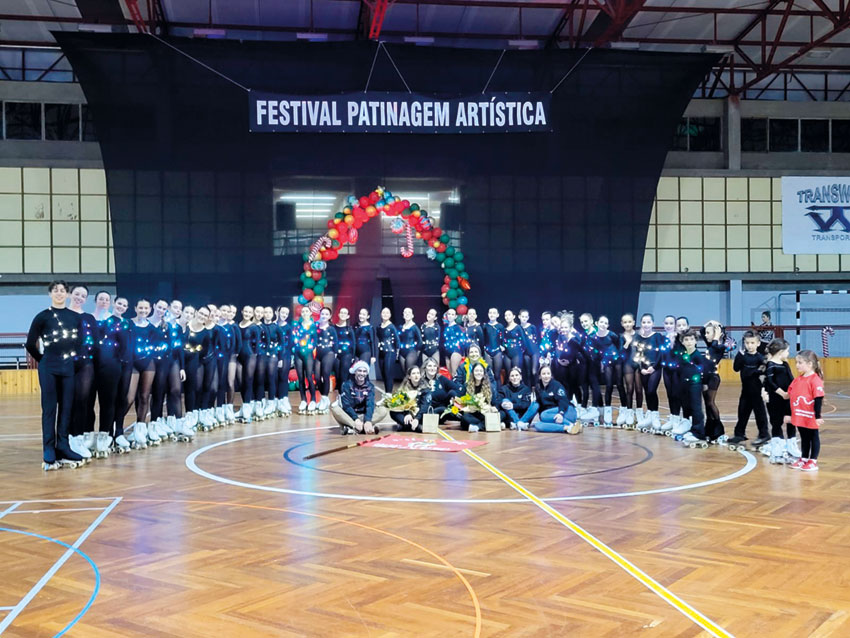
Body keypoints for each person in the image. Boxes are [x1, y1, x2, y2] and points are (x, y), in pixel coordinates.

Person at [26, 280, 85, 470]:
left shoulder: (75, 317)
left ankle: (63, 446)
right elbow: (30, 343)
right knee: (50, 408)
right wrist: (43, 360)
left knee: (67, 407)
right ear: (50, 294)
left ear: (67, 294)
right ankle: (49, 448)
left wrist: (73, 363)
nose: (59, 293)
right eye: (55, 290)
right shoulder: (42, 316)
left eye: (62, 290)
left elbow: (81, 343)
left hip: (68, 368)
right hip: (48, 368)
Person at [67, 285, 97, 462]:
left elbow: (95, 341)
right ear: (70, 294)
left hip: (85, 363)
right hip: (65, 363)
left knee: (81, 400)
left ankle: (77, 438)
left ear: (86, 299)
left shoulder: (89, 318)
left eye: (83, 295)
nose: (79, 297)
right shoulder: (61, 314)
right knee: (66, 401)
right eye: (77, 294)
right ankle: (65, 438)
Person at [727, 330, 769, 449]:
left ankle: (764, 434)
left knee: (760, 413)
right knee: (742, 412)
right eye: (747, 343)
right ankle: (739, 434)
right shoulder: (743, 356)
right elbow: (736, 368)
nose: (749, 346)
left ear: (758, 343)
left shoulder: (760, 358)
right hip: (745, 390)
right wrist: (739, 355)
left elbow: (763, 373)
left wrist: (759, 374)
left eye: (752, 343)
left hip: (756, 391)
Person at [787, 350, 825, 471]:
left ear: (809, 364)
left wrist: (817, 416)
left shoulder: (815, 380)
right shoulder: (798, 380)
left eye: (800, 362)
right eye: (796, 362)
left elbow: (818, 399)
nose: (797, 365)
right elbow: (790, 396)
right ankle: (803, 458)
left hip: (810, 415)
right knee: (804, 436)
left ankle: (813, 460)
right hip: (800, 414)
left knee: (813, 436)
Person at [762, 338, 797, 464]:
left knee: (791, 421)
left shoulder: (785, 364)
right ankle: (777, 447)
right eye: (787, 351)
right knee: (776, 422)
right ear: (781, 352)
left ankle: (792, 445)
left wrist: (793, 391)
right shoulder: (770, 365)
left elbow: (791, 379)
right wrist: (782, 393)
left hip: (787, 398)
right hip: (775, 398)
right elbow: (770, 382)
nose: (788, 353)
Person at [673, 330, 710, 446]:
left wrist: (704, 383)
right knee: (686, 406)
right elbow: (678, 370)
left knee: (696, 407)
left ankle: (699, 432)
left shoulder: (698, 356)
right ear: (682, 342)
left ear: (696, 341)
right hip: (684, 384)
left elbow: (704, 371)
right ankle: (692, 428)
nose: (689, 342)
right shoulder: (682, 356)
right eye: (686, 340)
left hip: (695, 384)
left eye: (691, 339)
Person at [331, 360, 388, 435]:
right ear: (355, 372)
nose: (362, 373)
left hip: (363, 415)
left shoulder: (370, 386)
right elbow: (346, 406)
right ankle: (359, 426)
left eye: (364, 371)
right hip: (350, 415)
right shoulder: (346, 385)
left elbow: (370, 405)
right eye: (359, 371)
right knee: (334, 408)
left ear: (367, 373)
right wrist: (356, 419)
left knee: (383, 410)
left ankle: (354, 428)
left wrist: (368, 420)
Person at [519, 365, 580, 434]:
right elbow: (539, 406)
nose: (546, 376)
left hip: (566, 411)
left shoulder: (557, 385)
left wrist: (560, 413)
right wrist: (528, 422)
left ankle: (571, 424)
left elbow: (563, 401)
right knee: (538, 425)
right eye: (543, 374)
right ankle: (567, 428)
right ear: (540, 376)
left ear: (551, 375)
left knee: (543, 415)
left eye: (548, 373)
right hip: (551, 416)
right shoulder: (538, 387)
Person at [633, 313, 667, 432]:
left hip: (655, 368)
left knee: (652, 390)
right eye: (644, 322)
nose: (646, 324)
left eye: (648, 322)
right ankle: (650, 416)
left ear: (653, 323)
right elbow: (638, 354)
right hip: (643, 368)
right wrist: (641, 368)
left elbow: (661, 353)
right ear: (641, 323)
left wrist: (654, 367)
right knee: (647, 392)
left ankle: (655, 415)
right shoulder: (638, 338)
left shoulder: (658, 336)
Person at [698, 320, 729, 442]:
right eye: (706, 333)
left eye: (708, 333)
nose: (706, 335)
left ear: (716, 333)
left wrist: (717, 335)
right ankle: (709, 430)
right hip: (704, 377)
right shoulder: (711, 344)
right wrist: (709, 323)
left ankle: (719, 429)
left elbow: (716, 346)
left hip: (713, 378)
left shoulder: (720, 346)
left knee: (711, 403)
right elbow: (701, 331)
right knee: (706, 405)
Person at [594, 315, 621, 427]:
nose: (603, 325)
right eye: (601, 322)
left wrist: (618, 356)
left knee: (620, 384)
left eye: (606, 323)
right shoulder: (594, 337)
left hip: (617, 361)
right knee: (609, 385)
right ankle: (608, 410)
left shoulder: (612, 335)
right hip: (606, 362)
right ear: (597, 323)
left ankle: (625, 410)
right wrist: (601, 361)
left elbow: (618, 345)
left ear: (608, 325)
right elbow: (596, 351)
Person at [455, 362, 497, 433]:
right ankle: (486, 425)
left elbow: (494, 403)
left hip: (484, 413)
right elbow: (461, 400)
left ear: (484, 373)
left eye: (481, 371)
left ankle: (478, 426)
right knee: (464, 418)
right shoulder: (467, 385)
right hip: (472, 413)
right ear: (473, 373)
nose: (479, 373)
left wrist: (490, 408)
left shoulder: (490, 387)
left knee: (500, 414)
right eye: (476, 371)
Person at [388, 365, 432, 432]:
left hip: (420, 414)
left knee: (422, 414)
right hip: (407, 414)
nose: (416, 375)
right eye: (413, 373)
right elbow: (401, 404)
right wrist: (407, 413)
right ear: (409, 377)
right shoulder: (404, 388)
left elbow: (424, 406)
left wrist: (417, 419)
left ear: (420, 375)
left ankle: (407, 426)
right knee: (393, 412)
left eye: (418, 373)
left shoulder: (425, 388)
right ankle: (414, 427)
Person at [292, 305, 319, 414]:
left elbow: (315, 340)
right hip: (298, 353)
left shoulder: (313, 326)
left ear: (310, 313)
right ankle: (303, 400)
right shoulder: (297, 325)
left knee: (309, 376)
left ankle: (313, 400)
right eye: (303, 311)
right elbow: (294, 337)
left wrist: (310, 347)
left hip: (308, 354)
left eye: (306, 311)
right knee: (300, 378)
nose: (304, 313)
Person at [236, 305, 260, 422]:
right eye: (245, 311)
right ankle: (244, 406)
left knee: (248, 381)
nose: (247, 314)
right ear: (242, 311)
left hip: (250, 356)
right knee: (241, 382)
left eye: (250, 312)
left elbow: (258, 343)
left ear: (252, 314)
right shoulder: (237, 325)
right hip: (238, 357)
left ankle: (247, 407)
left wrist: (255, 356)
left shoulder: (254, 327)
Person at [618, 313, 642, 427]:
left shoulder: (639, 335)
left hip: (638, 363)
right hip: (627, 364)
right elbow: (620, 352)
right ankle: (629, 412)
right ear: (622, 324)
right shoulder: (621, 336)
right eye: (625, 322)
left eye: (629, 322)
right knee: (630, 389)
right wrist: (627, 342)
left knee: (639, 389)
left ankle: (639, 412)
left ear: (633, 322)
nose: (627, 324)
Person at [315, 307, 337, 414]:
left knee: (325, 375)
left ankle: (324, 398)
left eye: (326, 314)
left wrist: (335, 353)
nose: (324, 316)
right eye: (322, 314)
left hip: (329, 353)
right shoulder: (316, 327)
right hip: (318, 354)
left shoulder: (331, 329)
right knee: (317, 377)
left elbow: (336, 342)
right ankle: (324, 398)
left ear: (330, 316)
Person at [376, 307, 400, 393]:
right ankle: (386, 393)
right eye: (383, 312)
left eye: (387, 313)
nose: (385, 314)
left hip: (390, 352)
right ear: (381, 314)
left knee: (388, 373)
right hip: (381, 352)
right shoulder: (379, 327)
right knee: (383, 374)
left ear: (390, 315)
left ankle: (389, 394)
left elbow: (397, 341)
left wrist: (397, 354)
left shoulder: (392, 327)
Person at [275, 305, 293, 416]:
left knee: (283, 377)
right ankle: (275, 401)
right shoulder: (273, 325)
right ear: (277, 312)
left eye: (286, 313)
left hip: (285, 355)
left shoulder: (288, 328)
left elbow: (290, 343)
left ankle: (283, 399)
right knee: (274, 378)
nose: (284, 315)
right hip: (273, 354)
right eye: (283, 312)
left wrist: (284, 356)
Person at [442, 308, 468, 377]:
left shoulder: (457, 327)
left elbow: (463, 340)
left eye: (452, 314)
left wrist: (461, 352)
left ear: (455, 316)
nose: (450, 316)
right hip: (447, 352)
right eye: (449, 314)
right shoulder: (445, 327)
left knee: (454, 373)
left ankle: (458, 384)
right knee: (450, 374)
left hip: (455, 351)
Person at [482, 308, 505, 385]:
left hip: (497, 351)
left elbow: (503, 338)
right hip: (487, 352)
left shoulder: (500, 326)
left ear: (497, 315)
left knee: (497, 375)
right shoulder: (485, 326)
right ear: (488, 314)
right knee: (489, 374)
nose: (492, 314)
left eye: (494, 313)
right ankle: (490, 391)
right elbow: (483, 338)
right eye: (490, 313)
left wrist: (503, 346)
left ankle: (499, 391)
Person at [334, 307, 355, 387]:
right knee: (337, 376)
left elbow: (354, 343)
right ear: (338, 314)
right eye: (341, 312)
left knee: (344, 376)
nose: (343, 314)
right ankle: (340, 393)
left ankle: (344, 393)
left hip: (347, 354)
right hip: (336, 355)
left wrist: (353, 356)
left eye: (345, 313)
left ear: (348, 316)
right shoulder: (334, 328)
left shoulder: (349, 329)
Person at [518, 309, 540, 387]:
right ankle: (529, 390)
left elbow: (537, 338)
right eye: (523, 316)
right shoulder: (518, 328)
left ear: (528, 317)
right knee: (527, 373)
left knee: (534, 371)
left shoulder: (532, 327)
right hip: (525, 352)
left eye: (526, 317)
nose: (524, 318)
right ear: (519, 317)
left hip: (534, 351)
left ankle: (537, 389)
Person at [398, 307, 422, 374]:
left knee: (409, 372)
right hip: (402, 352)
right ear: (403, 315)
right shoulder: (400, 327)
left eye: (409, 312)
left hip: (411, 351)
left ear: (412, 315)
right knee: (404, 373)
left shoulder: (414, 327)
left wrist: (417, 351)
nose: (407, 314)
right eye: (405, 312)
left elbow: (420, 340)